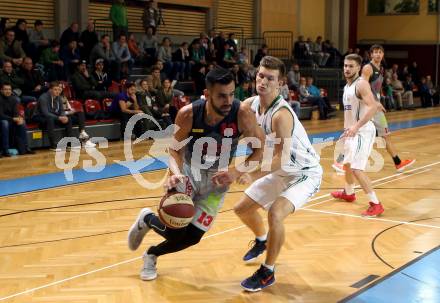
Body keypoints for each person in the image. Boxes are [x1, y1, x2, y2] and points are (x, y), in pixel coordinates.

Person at [126, 67, 265, 281]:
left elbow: (259, 150)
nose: (228, 100)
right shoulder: (188, 114)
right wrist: (174, 173)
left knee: (192, 238)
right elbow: (174, 149)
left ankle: (152, 252)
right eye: (221, 96)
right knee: (174, 229)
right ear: (207, 94)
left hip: (218, 182)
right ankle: (148, 219)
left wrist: (236, 171)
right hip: (189, 173)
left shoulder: (243, 113)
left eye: (231, 94)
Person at [233, 56, 322, 292]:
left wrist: (251, 174)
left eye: (270, 78)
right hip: (282, 170)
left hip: (304, 173)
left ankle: (267, 272)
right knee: (241, 209)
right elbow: (230, 114)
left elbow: (281, 158)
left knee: (275, 214)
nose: (263, 81)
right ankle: (262, 241)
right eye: (260, 75)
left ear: (280, 83)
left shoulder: (281, 114)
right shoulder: (250, 104)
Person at [332, 45, 415, 173]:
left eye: (380, 52)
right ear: (371, 55)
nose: (377, 54)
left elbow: (375, 88)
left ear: (383, 54)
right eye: (375, 52)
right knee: (356, 133)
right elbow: (363, 85)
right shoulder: (367, 68)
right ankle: (341, 162)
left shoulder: (380, 68)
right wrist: (375, 103)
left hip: (374, 106)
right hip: (368, 106)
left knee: (385, 135)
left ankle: (398, 163)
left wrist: (379, 99)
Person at [331, 54, 384, 218]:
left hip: (363, 131)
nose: (347, 69)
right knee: (347, 163)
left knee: (356, 168)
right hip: (352, 131)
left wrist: (356, 127)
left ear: (358, 68)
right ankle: (349, 193)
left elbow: (372, 107)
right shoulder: (348, 86)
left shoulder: (361, 84)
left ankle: (376, 204)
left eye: (351, 66)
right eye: (345, 65)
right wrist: (347, 130)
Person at [32, 81, 76, 151]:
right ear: (50, 90)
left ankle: (70, 143)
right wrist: (59, 118)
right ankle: (53, 145)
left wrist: (63, 116)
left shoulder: (58, 97)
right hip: (39, 117)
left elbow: (61, 110)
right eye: (55, 89)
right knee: (50, 119)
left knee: (68, 119)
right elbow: (45, 113)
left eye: (59, 89)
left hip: (53, 116)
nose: (57, 91)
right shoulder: (43, 97)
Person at [0, 83, 34, 156]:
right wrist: (13, 119)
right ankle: (5, 150)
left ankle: (25, 148)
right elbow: (1, 115)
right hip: (2, 120)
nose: (8, 91)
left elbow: (16, 113)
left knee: (22, 123)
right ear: (1, 90)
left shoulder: (14, 99)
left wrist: (18, 119)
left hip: (11, 120)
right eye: (5, 89)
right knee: (4, 123)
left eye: (9, 89)